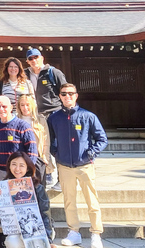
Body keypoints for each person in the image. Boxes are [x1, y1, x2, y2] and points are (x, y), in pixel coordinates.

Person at [47, 83, 107, 248]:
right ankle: (74, 232)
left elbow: (102, 139)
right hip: (65, 166)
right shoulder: (54, 118)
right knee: (69, 201)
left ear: (76, 95)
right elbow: (50, 140)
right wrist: (56, 153)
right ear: (60, 96)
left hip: (84, 165)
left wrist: (90, 153)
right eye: (64, 94)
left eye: (71, 93)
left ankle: (96, 233)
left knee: (91, 200)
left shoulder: (88, 116)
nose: (67, 96)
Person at [0, 152, 53, 248]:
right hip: (15, 230)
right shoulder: (4, 186)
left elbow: (45, 213)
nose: (17, 169)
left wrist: (47, 239)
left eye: (21, 165)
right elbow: (4, 214)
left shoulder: (37, 187)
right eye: (14, 164)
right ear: (9, 166)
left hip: (38, 229)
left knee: (34, 242)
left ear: (27, 168)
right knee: (12, 241)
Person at [0, 96, 37, 181]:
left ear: (11, 107)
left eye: (4, 106)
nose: (1, 109)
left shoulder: (23, 126)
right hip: (1, 173)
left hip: (18, 173)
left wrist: (26, 172)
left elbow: (33, 152)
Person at [17, 95, 53, 183]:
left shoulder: (40, 120)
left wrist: (45, 157)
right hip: (21, 159)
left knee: (39, 187)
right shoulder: (16, 120)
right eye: (22, 105)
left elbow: (46, 140)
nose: (25, 108)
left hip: (38, 158)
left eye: (27, 105)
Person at [25, 49, 67, 118]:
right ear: (27, 61)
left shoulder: (53, 72)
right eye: (30, 58)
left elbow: (66, 91)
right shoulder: (25, 75)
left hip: (53, 112)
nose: (34, 60)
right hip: (34, 113)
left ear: (42, 58)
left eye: (36, 57)